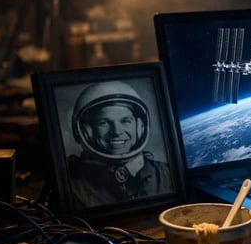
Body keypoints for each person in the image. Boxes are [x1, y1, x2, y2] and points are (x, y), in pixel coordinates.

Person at [67, 80, 174, 209]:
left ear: (140, 127)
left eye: (125, 121)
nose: (116, 132)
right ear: (86, 131)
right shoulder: (70, 186)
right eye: (103, 122)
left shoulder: (166, 174)